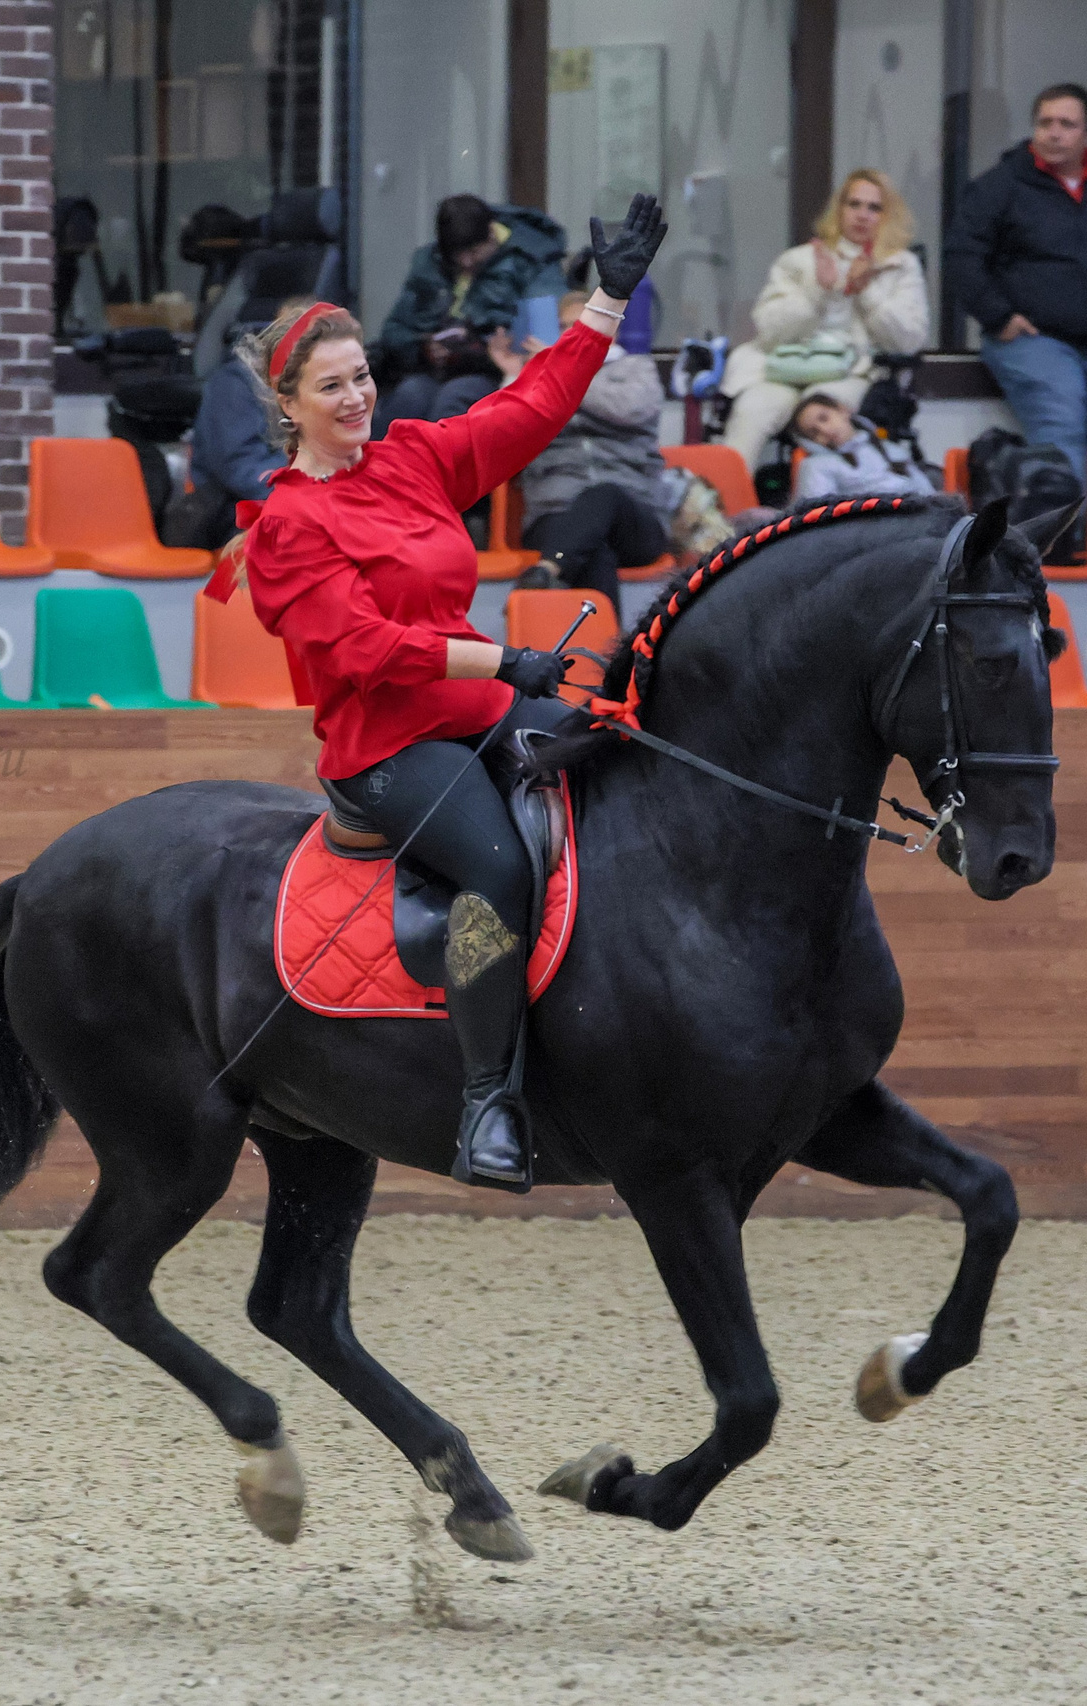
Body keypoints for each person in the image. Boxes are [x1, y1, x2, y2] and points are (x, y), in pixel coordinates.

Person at [232, 194, 669, 1191]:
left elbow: (531, 406)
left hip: (477, 710)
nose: (355, 398)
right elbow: (361, 648)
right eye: (330, 386)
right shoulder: (287, 525)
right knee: (498, 872)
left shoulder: (415, 459)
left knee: (618, 757)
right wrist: (500, 661)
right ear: (289, 403)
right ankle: (486, 1101)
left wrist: (605, 298)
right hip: (387, 749)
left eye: (362, 377)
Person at [943, 83, 1087, 495]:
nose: (1054, 133)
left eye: (1067, 124)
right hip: (1033, 340)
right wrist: (999, 317)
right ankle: (1066, 551)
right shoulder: (999, 186)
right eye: (1045, 123)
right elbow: (961, 256)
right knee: (1060, 430)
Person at [719, 168, 929, 462]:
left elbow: (908, 342)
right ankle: (724, 504)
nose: (862, 215)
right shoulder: (800, 259)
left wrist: (866, 291)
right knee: (752, 410)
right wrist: (817, 293)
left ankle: (820, 504)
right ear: (839, 209)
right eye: (854, 204)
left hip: (850, 373)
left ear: (887, 215)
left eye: (874, 207)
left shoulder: (900, 265)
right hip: (785, 367)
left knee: (821, 415)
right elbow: (768, 331)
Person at [502, 292, 673, 598]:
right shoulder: (539, 373)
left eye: (583, 324)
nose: (574, 334)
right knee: (595, 553)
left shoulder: (635, 368)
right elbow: (507, 431)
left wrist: (565, 373)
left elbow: (629, 408)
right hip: (556, 513)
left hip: (634, 516)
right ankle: (605, 645)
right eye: (566, 326)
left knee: (603, 494)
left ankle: (546, 571)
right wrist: (516, 376)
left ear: (612, 329)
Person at [374, 194, 568, 427]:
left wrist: (486, 347)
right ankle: (380, 463)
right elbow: (394, 330)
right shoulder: (430, 263)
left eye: (474, 252)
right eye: (458, 255)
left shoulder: (531, 258)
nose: (466, 262)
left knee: (453, 402)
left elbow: (547, 328)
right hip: (434, 369)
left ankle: (443, 463)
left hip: (493, 369)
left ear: (492, 233)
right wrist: (422, 348)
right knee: (408, 398)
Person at [173, 297, 310, 548]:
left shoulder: (337, 387)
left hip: (302, 502)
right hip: (235, 510)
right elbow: (240, 467)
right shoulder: (237, 382)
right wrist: (306, 489)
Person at [786, 393, 937, 506]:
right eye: (814, 433)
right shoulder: (817, 465)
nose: (824, 430)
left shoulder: (891, 450)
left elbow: (931, 498)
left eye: (824, 418)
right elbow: (818, 517)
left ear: (842, 410)